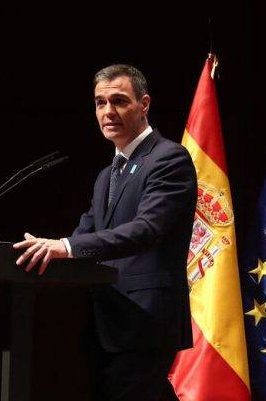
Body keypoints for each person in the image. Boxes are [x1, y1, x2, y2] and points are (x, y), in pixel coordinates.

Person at [14, 64, 197, 400]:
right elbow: (84, 233)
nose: (108, 111)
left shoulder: (169, 158)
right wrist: (45, 248)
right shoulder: (106, 176)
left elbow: (146, 230)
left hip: (146, 319)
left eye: (119, 101)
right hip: (107, 322)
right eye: (100, 103)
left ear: (144, 105)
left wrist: (65, 246)